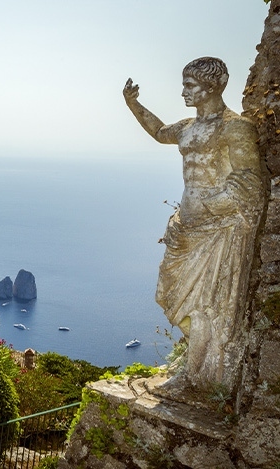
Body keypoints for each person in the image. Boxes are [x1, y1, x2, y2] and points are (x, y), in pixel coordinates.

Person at [123, 57, 264, 389]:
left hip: (217, 230)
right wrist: (133, 104)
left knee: (205, 305)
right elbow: (159, 132)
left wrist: (212, 206)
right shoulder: (188, 127)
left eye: (190, 85)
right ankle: (194, 364)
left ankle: (198, 374)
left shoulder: (235, 128)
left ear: (212, 87)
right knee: (168, 293)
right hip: (186, 228)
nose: (183, 91)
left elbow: (249, 183)